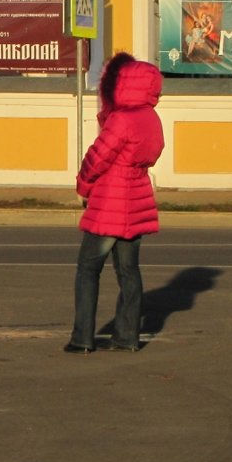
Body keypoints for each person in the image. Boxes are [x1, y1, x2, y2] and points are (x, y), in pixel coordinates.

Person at [65, 52, 165, 354]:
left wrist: (83, 185)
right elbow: (153, 153)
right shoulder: (151, 118)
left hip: (110, 198)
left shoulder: (121, 119)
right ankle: (128, 336)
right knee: (129, 272)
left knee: (88, 269)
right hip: (137, 196)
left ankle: (82, 338)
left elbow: (98, 157)